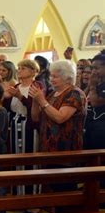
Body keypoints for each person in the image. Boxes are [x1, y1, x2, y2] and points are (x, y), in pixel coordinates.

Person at [30, 60, 86, 203]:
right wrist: (36, 101)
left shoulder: (74, 93)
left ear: (67, 77)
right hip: (49, 149)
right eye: (51, 76)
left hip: (65, 150)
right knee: (53, 189)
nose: (51, 80)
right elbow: (36, 118)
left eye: (55, 77)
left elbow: (60, 118)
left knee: (64, 190)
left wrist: (42, 101)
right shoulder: (52, 94)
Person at [84, 53, 105, 150]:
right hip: (91, 127)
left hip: (101, 129)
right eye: (92, 68)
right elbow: (81, 99)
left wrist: (92, 85)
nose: (93, 72)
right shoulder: (97, 83)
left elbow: (95, 102)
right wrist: (89, 86)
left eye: (96, 68)